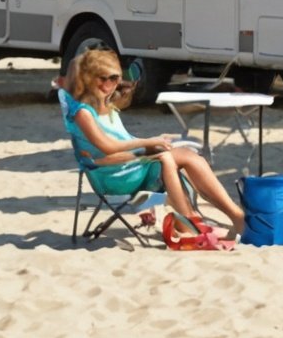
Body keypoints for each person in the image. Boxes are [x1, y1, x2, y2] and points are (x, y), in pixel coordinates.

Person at [64, 48, 246, 244]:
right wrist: (148, 143)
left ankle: (206, 218)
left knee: (184, 155)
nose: (109, 84)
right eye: (103, 78)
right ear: (89, 78)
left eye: (114, 78)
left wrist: (154, 143)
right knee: (170, 157)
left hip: (129, 166)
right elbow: (108, 146)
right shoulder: (83, 113)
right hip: (112, 176)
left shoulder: (107, 108)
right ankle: (201, 220)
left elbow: (124, 141)